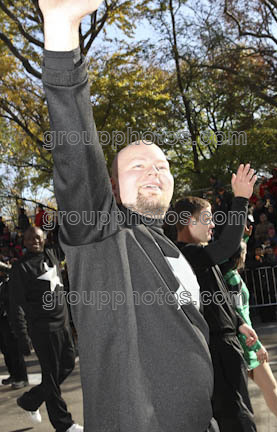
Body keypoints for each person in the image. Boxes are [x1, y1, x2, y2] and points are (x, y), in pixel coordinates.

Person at [39, 1, 218, 431]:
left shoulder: (172, 249)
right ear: (112, 188)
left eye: (162, 166)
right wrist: (62, 29)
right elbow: (76, 151)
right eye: (137, 166)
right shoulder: (103, 235)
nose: (154, 171)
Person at [174, 167, 258, 432]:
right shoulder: (186, 255)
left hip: (227, 342)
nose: (212, 224)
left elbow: (217, 296)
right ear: (188, 222)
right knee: (237, 419)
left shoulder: (200, 255)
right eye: (207, 219)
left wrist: (237, 322)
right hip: (216, 349)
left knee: (238, 413)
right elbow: (228, 246)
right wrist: (241, 198)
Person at [9, 226, 80, 432]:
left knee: (67, 365)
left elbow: (70, 239)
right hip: (43, 331)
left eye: (38, 237)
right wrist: (22, 337)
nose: (35, 241)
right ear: (24, 242)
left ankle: (31, 400)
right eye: (29, 238)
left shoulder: (52, 254)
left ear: (45, 238)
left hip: (63, 325)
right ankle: (64, 425)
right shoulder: (20, 269)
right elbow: (16, 306)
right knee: (50, 377)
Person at [223, 239, 277, 430]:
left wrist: (242, 238)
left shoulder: (228, 275)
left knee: (269, 389)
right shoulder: (232, 279)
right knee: (267, 391)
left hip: (245, 342)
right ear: (240, 256)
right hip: (246, 344)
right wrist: (256, 344)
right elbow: (239, 315)